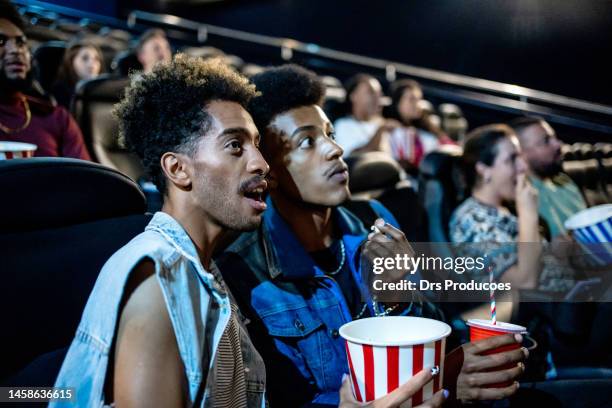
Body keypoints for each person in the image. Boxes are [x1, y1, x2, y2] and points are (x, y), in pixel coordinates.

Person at [216, 65, 527, 407]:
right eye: (307, 141)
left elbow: (431, 332)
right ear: (268, 171)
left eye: (330, 134)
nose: (335, 150)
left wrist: (401, 301)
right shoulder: (244, 269)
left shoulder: (375, 220)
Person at [52, 55, 270, 407]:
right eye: (235, 146)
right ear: (178, 169)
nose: (261, 163)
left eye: (256, 145)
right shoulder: (158, 282)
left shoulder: (203, 267)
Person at [449, 124, 575, 292]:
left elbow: (529, 258)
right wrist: (528, 214)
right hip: (548, 313)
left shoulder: (505, 208)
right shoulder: (472, 221)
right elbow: (524, 282)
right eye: (511, 159)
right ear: (483, 170)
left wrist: (554, 252)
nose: (523, 167)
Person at [0, 1, 90, 160]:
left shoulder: (57, 118)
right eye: (1, 41)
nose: (16, 51)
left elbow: (88, 181)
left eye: (21, 43)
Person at [510, 116, 587, 239]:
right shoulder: (517, 199)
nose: (558, 144)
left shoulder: (566, 182)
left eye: (554, 138)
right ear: (521, 154)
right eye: (546, 141)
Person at [387, 79, 453, 171]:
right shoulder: (389, 129)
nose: (417, 105)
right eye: (411, 99)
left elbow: (448, 144)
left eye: (419, 100)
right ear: (397, 102)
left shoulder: (427, 126)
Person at [333, 74, 400, 157]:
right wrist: (380, 132)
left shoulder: (388, 126)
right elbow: (352, 158)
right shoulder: (343, 125)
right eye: (371, 92)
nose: (377, 98)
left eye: (380, 94)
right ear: (353, 96)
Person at [52, 41, 104, 109]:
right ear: (71, 62)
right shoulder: (59, 92)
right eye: (85, 58)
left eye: (96, 59)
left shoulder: (104, 91)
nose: (92, 64)